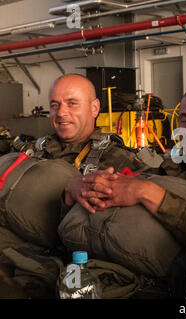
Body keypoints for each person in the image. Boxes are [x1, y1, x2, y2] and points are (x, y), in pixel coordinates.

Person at [60, 83, 186, 297]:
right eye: (185, 120)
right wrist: (72, 192)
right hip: (104, 274)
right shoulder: (153, 169)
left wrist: (148, 193)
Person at [0, 73, 161, 298]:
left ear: (94, 108)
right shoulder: (32, 150)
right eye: (55, 105)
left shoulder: (119, 162)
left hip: (60, 270)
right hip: (13, 249)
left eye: (72, 103)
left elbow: (129, 236)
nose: (61, 113)